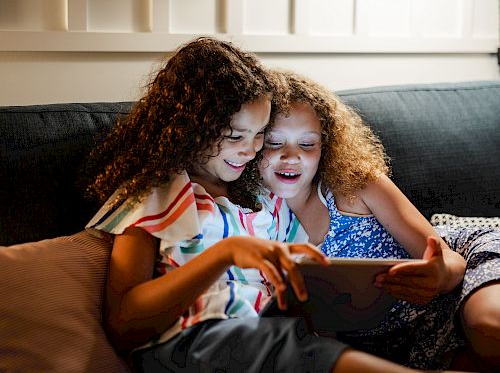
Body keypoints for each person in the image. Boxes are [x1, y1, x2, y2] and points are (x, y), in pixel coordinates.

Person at [83, 37, 442, 373]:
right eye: (235, 135)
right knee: (305, 353)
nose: (250, 149)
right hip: (197, 342)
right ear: (188, 127)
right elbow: (123, 324)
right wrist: (225, 253)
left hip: (276, 333)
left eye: (258, 136)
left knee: (310, 346)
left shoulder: (260, 200)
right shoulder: (157, 192)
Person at [255, 69, 500, 372]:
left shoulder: (354, 186)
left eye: (307, 144)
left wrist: (439, 276)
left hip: (463, 276)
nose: (292, 157)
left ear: (325, 147)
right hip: (403, 341)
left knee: (488, 329)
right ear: (252, 143)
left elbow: (451, 259)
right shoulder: (254, 220)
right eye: (274, 142)